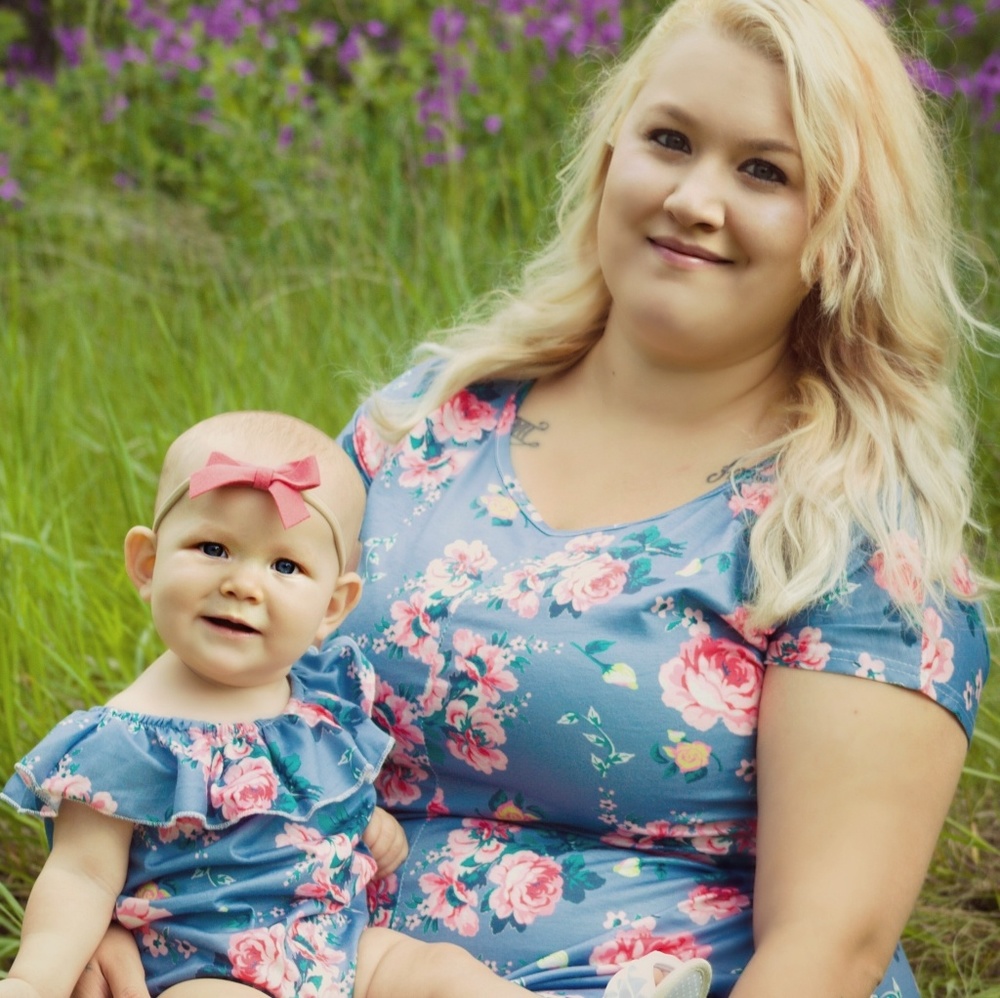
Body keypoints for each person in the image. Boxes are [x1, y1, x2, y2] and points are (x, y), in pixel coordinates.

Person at [70, 0, 995, 995]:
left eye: (765, 171)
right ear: (610, 153)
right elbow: (228, 712)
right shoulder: (426, 420)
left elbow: (827, 950)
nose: (693, 198)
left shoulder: (852, 530)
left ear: (844, 229)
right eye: (669, 140)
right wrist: (132, 926)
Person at [0, 411, 546, 998]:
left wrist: (365, 820)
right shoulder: (124, 742)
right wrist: (33, 983)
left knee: (441, 972)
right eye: (213, 547)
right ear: (148, 565)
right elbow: (81, 876)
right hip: (203, 969)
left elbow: (315, 799)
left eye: (285, 565)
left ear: (332, 607)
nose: (243, 584)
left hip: (338, 951)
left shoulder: (320, 702)